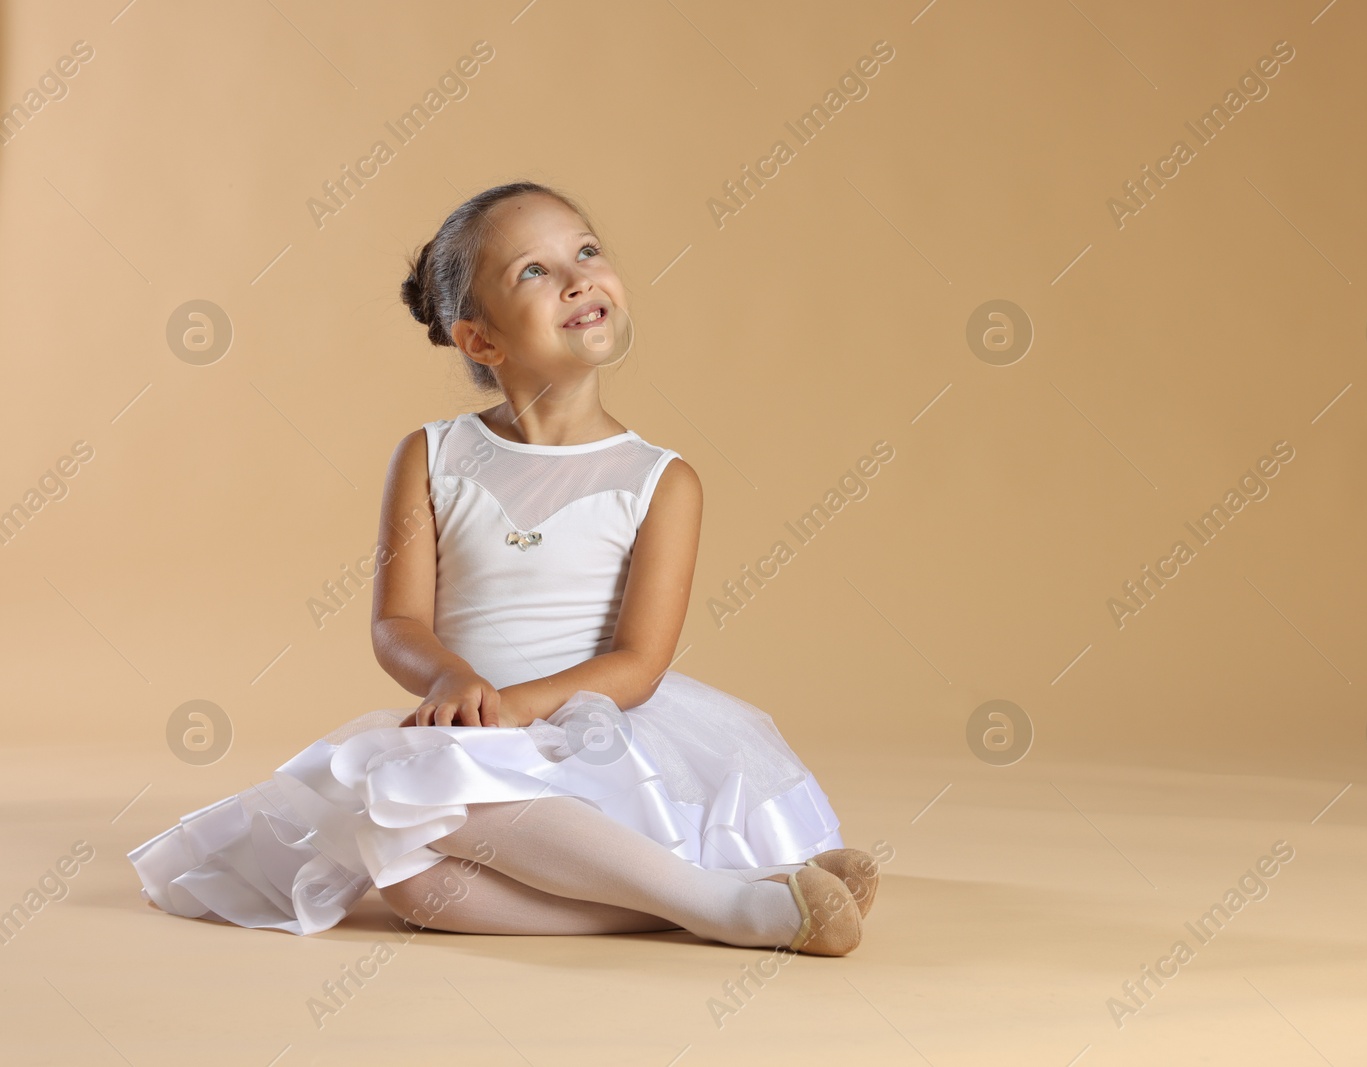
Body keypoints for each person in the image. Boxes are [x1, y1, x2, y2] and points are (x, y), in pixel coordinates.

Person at [126, 180, 881, 956]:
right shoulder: (432, 455)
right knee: (408, 882)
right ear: (479, 341)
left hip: (593, 729)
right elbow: (397, 621)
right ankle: (719, 898)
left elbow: (641, 660)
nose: (578, 277)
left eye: (586, 252)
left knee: (415, 816)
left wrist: (522, 708)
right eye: (535, 271)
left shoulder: (662, 479)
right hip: (473, 728)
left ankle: (730, 907)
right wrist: (452, 680)